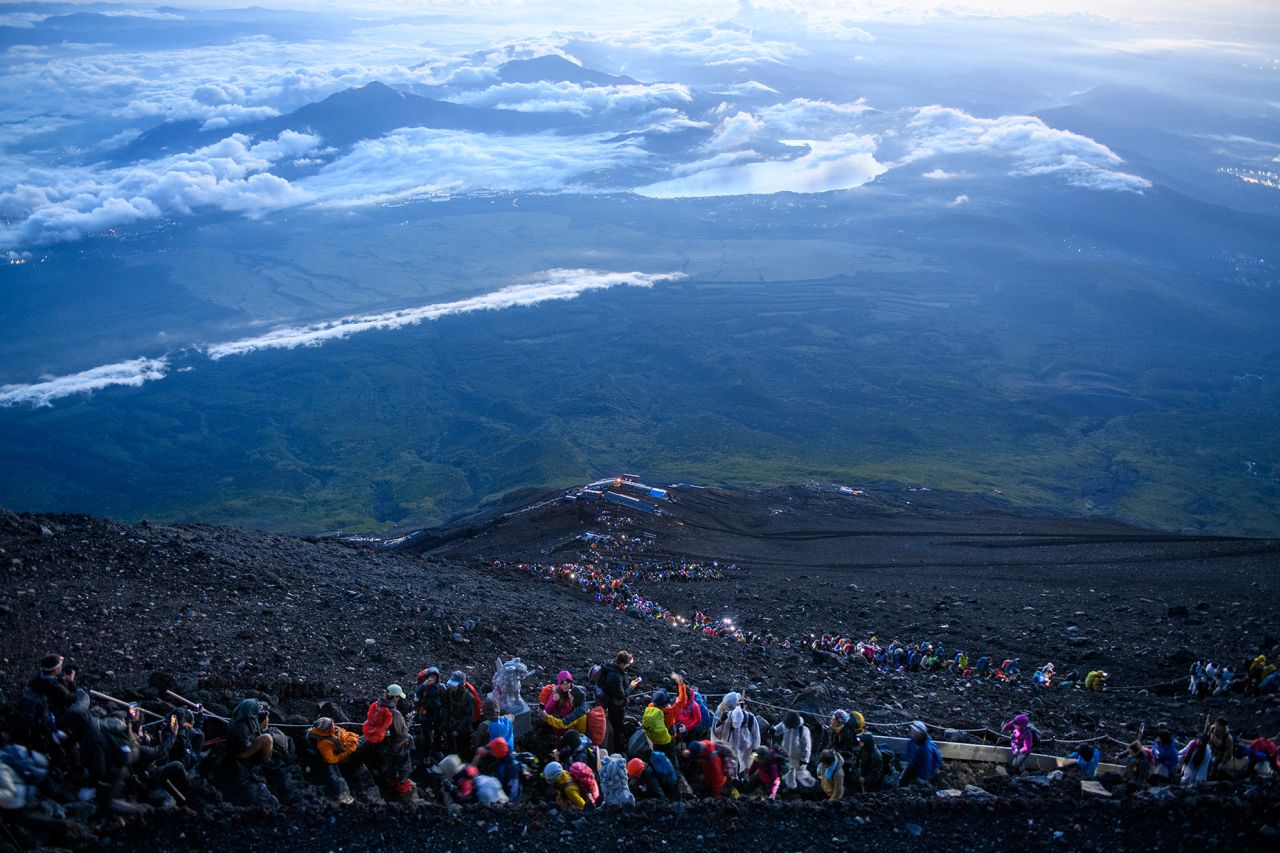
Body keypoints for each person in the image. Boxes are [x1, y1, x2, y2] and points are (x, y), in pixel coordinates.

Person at [307, 717, 359, 803]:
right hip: (335, 758)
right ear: (327, 729)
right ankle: (344, 798)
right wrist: (346, 753)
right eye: (332, 725)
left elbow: (344, 733)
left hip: (345, 747)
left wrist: (354, 737)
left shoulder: (334, 730)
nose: (334, 725)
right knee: (338, 778)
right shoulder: (324, 743)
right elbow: (330, 759)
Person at [598, 652, 641, 752]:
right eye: (628, 663)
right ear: (622, 663)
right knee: (618, 729)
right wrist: (631, 687)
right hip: (616, 707)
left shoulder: (613, 668)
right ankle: (616, 749)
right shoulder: (615, 676)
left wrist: (629, 682)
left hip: (613, 705)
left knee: (616, 726)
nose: (629, 665)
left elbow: (619, 686)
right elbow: (620, 695)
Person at [712, 692, 760, 779]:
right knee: (731, 766)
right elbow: (717, 731)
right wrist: (720, 722)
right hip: (731, 747)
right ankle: (732, 780)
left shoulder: (751, 719)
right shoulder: (728, 716)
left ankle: (741, 780)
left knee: (744, 767)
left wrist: (755, 751)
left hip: (746, 749)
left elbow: (756, 736)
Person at [442, 671, 482, 760]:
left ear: (460, 685)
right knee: (450, 745)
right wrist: (445, 721)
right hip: (451, 724)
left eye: (454, 684)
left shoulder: (469, 697)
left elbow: (469, 716)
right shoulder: (448, 692)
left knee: (464, 748)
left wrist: (458, 729)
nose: (451, 686)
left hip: (464, 728)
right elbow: (446, 707)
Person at [773, 711, 814, 790]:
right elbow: (778, 728)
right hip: (786, 755)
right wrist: (773, 730)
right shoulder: (785, 724)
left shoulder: (803, 730)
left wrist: (804, 759)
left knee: (801, 773)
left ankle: (810, 786)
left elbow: (807, 746)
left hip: (798, 757)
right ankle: (791, 789)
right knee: (790, 774)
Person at [473, 736, 521, 803]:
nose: (491, 752)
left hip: (507, 797)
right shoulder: (503, 752)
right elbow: (491, 749)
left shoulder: (511, 767)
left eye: (492, 751)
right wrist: (483, 751)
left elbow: (513, 789)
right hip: (500, 787)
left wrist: (509, 804)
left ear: (497, 752)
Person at [227, 698, 273, 764]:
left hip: (233, 746)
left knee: (264, 723)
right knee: (268, 738)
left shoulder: (237, 716)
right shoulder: (244, 727)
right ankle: (266, 761)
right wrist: (256, 740)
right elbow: (244, 747)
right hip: (240, 753)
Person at [413, 667, 445, 760]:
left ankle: (438, 750)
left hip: (437, 715)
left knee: (438, 734)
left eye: (434, 677)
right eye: (430, 676)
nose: (432, 679)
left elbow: (445, 699)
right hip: (425, 715)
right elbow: (417, 694)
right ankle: (426, 755)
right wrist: (423, 685)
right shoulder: (423, 686)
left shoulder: (441, 687)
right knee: (427, 737)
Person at [900, 721, 942, 787]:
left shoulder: (926, 748)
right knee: (906, 777)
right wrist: (905, 762)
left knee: (919, 784)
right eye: (912, 730)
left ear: (920, 733)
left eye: (914, 731)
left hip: (927, 768)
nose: (912, 732)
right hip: (916, 763)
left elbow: (927, 764)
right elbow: (909, 751)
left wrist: (922, 777)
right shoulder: (913, 741)